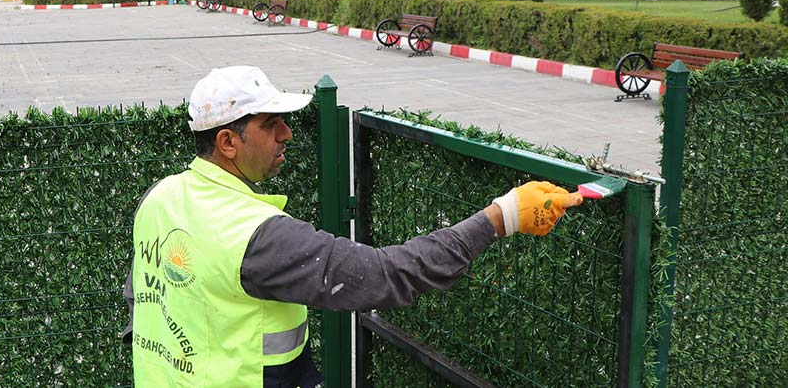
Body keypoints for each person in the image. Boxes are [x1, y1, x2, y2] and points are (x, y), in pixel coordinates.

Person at [124, 65, 582, 387]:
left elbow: (139, 294)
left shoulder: (160, 197)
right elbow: (387, 275)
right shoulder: (256, 234)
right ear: (227, 141)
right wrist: (501, 216)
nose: (286, 134)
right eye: (270, 124)